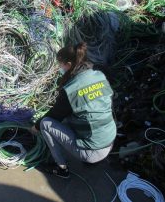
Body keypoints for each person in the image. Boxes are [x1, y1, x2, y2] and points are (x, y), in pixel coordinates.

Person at [31, 42, 117, 178]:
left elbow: (54, 116)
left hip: (92, 152)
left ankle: (61, 168)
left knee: (45, 124)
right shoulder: (99, 75)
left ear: (69, 64)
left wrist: (36, 127)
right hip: (110, 141)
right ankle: (94, 157)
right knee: (77, 114)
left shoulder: (71, 90)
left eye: (61, 64)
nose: (60, 67)